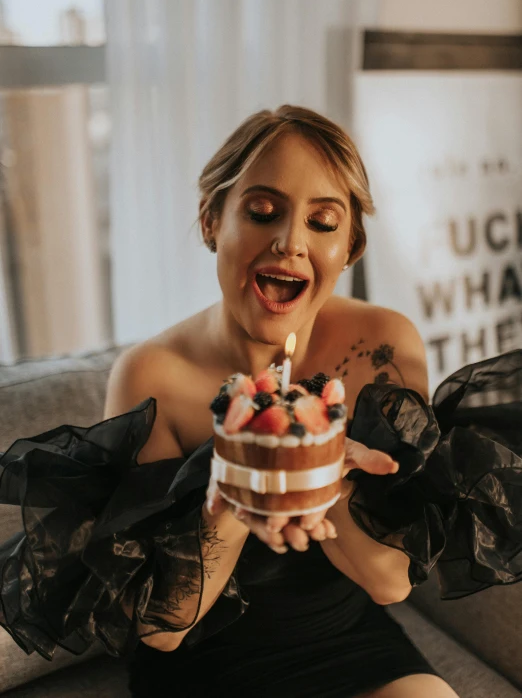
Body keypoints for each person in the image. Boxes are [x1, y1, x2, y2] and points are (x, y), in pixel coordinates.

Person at [1, 105, 521, 698]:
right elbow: (164, 630)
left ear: (349, 248)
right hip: (204, 668)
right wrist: (233, 486)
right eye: (262, 211)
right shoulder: (152, 375)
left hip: (346, 643)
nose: (290, 241)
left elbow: (390, 582)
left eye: (323, 222)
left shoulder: (382, 345)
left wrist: (324, 471)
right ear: (210, 222)